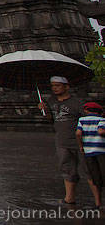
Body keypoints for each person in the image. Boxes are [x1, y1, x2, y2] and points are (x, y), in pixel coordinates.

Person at [40, 75, 92, 204]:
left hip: (79, 142)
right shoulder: (52, 102)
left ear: (66, 86)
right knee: (67, 170)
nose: (54, 88)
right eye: (52, 86)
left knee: (89, 170)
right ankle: (69, 198)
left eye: (57, 85)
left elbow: (88, 119)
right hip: (62, 142)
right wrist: (44, 111)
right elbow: (51, 119)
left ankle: (98, 200)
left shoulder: (76, 103)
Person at [76, 101, 105, 208]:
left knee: (95, 176)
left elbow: (78, 134)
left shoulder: (82, 120)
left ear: (86, 111)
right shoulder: (101, 120)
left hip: (88, 151)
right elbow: (101, 131)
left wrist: (81, 146)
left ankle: (98, 202)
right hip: (101, 151)